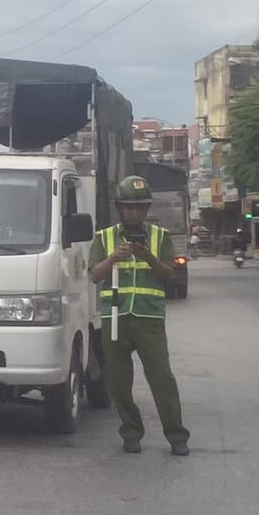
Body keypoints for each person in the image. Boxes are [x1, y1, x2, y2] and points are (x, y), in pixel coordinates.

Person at [90, 175, 190, 456]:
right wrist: (113, 258)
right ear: (119, 208)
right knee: (118, 382)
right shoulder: (104, 238)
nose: (133, 212)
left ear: (146, 209)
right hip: (115, 319)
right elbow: (94, 276)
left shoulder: (161, 237)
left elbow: (170, 274)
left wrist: (148, 256)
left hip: (149, 318)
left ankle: (177, 436)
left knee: (162, 378)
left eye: (139, 207)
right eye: (128, 207)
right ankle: (131, 432)